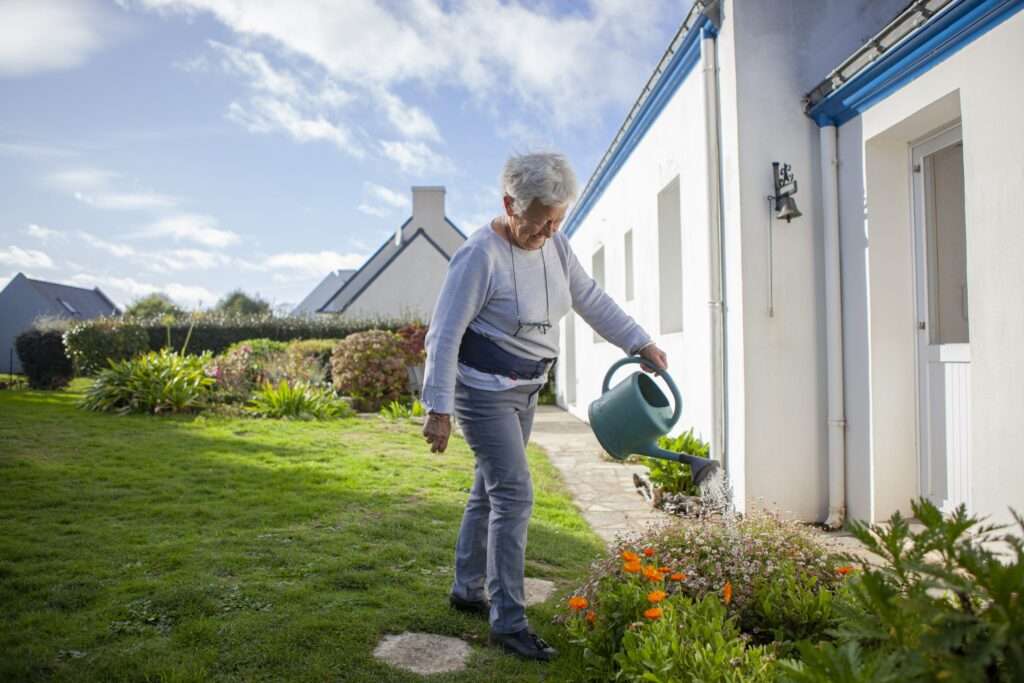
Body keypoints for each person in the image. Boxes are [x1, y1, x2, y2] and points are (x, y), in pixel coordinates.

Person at [420, 152, 667, 661]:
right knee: (514, 495)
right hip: (483, 392)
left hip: (528, 389)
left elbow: (590, 297)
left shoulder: (556, 246)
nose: (549, 230)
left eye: (558, 219)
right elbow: (443, 336)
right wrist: (438, 408)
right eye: (540, 219)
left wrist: (639, 343)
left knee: (488, 492)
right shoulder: (478, 256)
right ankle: (508, 621)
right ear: (510, 204)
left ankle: (468, 588)